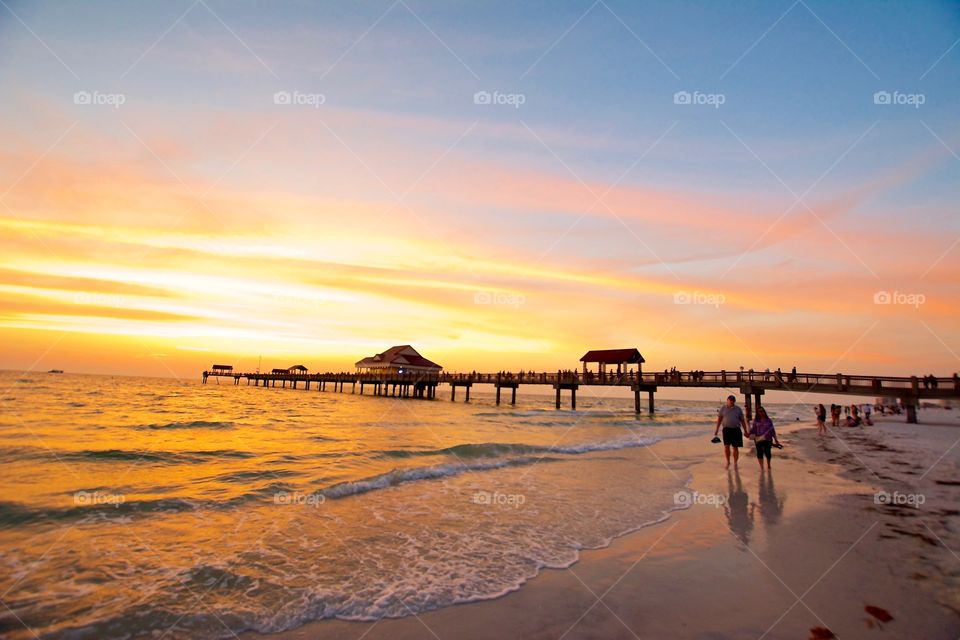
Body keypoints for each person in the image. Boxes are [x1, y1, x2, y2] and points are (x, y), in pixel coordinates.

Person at [714, 395, 749, 469]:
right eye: (730, 400)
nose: (731, 402)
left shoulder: (738, 409)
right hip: (726, 429)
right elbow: (719, 419)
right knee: (726, 446)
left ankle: (735, 463)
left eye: (732, 401)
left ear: (734, 401)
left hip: (736, 429)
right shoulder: (723, 408)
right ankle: (728, 461)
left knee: (735, 447)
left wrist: (745, 431)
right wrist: (717, 429)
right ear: (727, 401)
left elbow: (742, 420)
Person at [750, 406, 781, 471]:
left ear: (764, 412)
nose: (761, 413)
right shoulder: (756, 421)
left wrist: (776, 439)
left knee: (768, 452)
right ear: (757, 413)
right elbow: (753, 430)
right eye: (759, 411)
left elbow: (772, 430)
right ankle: (761, 467)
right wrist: (749, 434)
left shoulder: (768, 420)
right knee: (759, 452)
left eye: (762, 411)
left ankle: (768, 465)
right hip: (758, 439)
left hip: (768, 438)